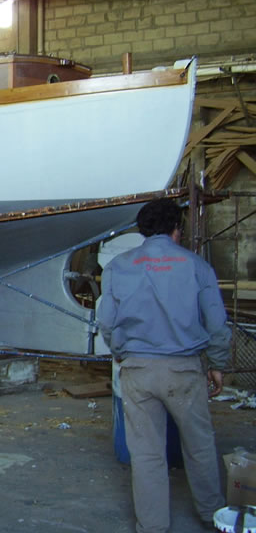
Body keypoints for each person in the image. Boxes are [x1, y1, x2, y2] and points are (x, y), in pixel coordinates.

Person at [97, 198, 231, 533]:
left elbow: (107, 322)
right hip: (183, 370)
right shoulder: (197, 266)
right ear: (176, 229)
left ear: (142, 230)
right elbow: (217, 323)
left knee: (146, 453)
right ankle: (212, 514)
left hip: (137, 370)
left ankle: (152, 526)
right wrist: (217, 364)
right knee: (199, 445)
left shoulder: (117, 267)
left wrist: (119, 351)